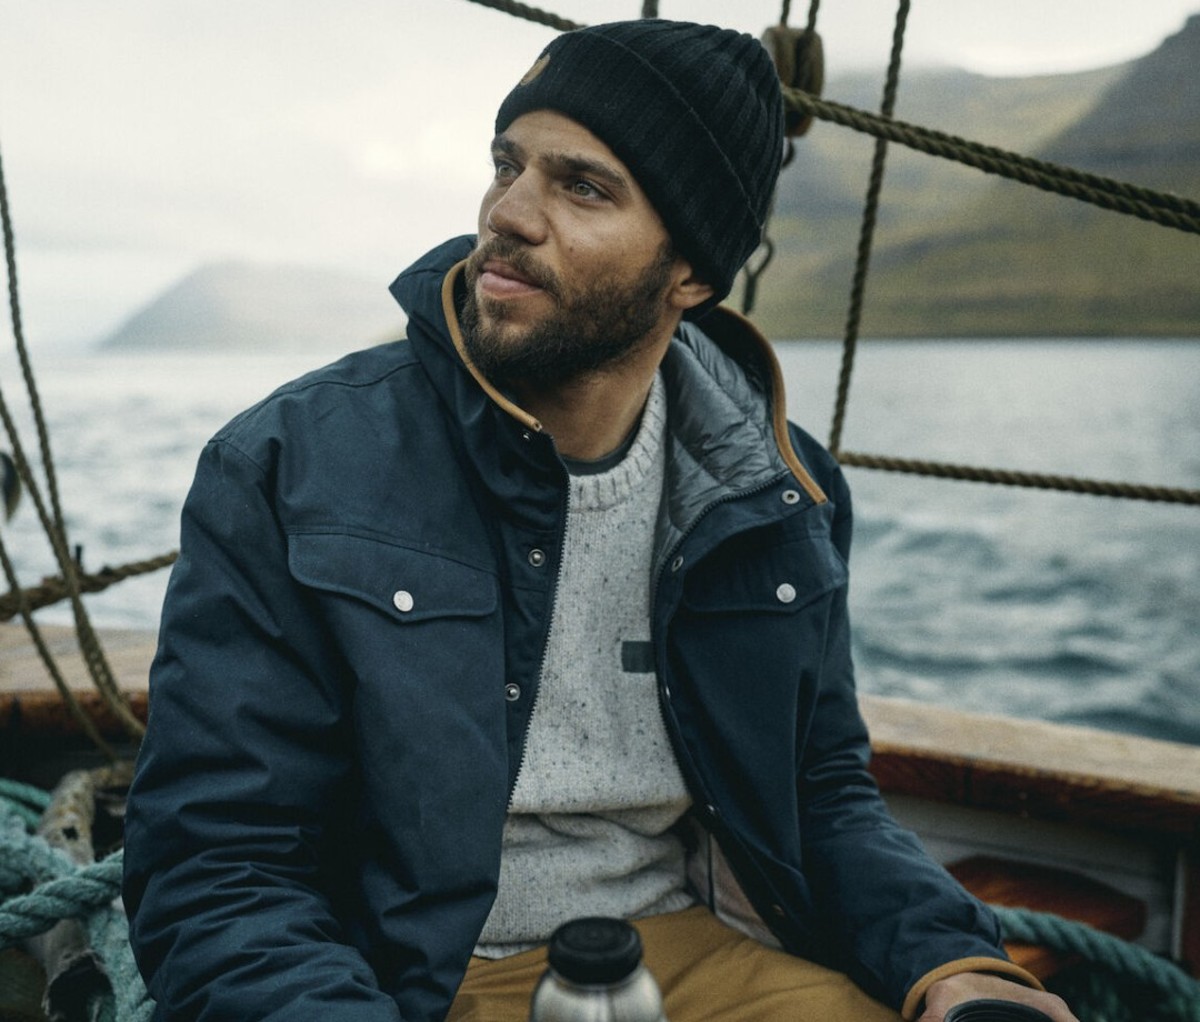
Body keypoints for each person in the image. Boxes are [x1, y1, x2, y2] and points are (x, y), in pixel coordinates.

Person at [123, 19, 1078, 1022]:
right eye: (508, 164)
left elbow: (823, 793)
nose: (509, 213)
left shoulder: (786, 492)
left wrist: (957, 965)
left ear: (693, 273)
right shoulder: (291, 464)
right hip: (403, 974)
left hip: (693, 945)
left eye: (582, 186)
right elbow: (219, 866)